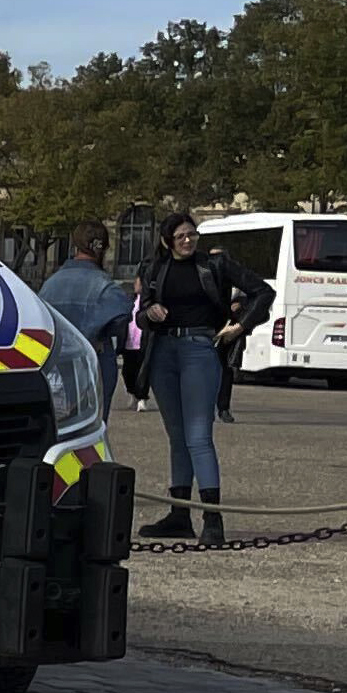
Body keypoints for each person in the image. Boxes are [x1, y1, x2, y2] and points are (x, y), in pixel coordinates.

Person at [135, 213, 266, 546]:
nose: (188, 241)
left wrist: (240, 326)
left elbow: (262, 292)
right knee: (176, 436)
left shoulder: (215, 265)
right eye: (180, 236)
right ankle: (180, 514)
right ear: (167, 240)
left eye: (192, 235)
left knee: (197, 436)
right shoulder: (154, 268)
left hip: (199, 349)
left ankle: (212, 518)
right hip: (164, 351)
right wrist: (148, 313)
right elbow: (141, 310)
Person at [35, 222, 131, 412]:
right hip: (94, 360)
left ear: (75, 246)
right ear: (103, 249)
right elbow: (122, 320)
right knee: (92, 427)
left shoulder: (50, 284)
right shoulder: (106, 286)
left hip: (56, 363)